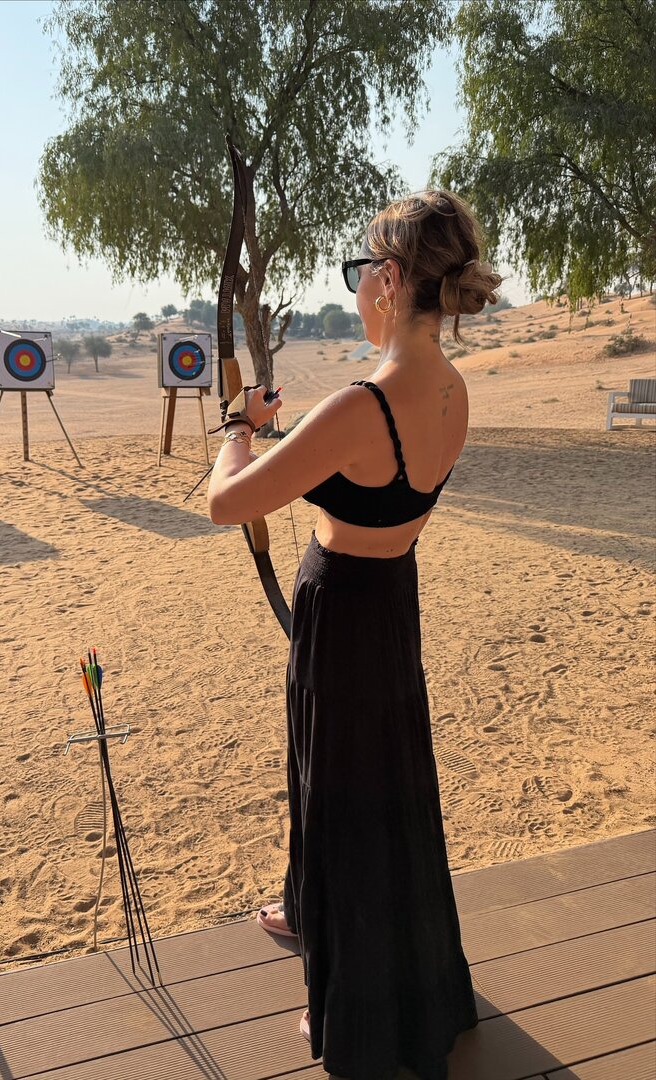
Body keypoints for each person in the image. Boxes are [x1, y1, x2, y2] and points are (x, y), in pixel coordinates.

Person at [207, 189, 502, 1080]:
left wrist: (236, 430)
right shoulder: (449, 390)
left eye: (361, 270)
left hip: (342, 608)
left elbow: (226, 503)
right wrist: (283, 435)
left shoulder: (358, 405)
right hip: (391, 596)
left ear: (390, 278)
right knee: (383, 782)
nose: (359, 285)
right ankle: (314, 916)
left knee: (338, 791)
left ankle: (353, 1006)